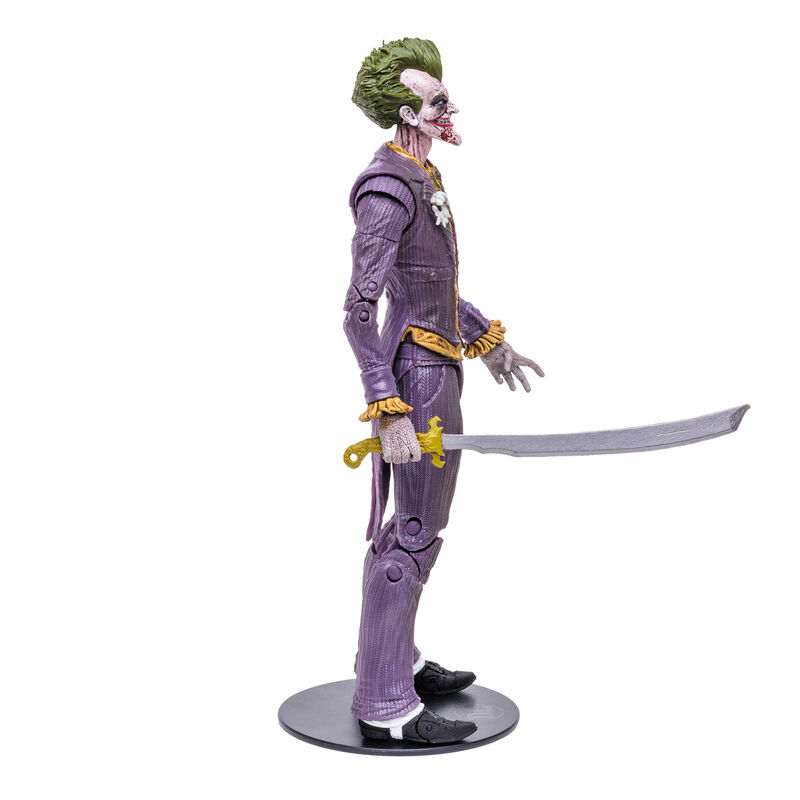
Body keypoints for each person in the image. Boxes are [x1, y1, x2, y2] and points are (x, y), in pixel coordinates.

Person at [344, 38, 543, 745]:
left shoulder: (420, 173)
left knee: (406, 531)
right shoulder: (388, 188)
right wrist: (388, 406)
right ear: (407, 113)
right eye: (436, 100)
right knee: (414, 536)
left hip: (435, 362)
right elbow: (358, 310)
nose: (448, 107)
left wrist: (487, 340)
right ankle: (385, 703)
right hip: (417, 376)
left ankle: (391, 660)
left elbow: (429, 288)